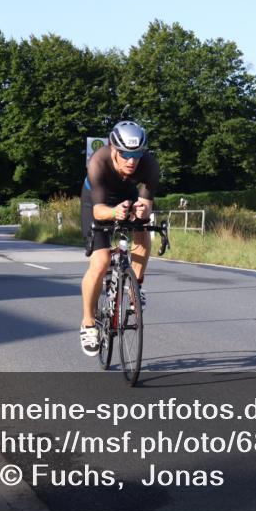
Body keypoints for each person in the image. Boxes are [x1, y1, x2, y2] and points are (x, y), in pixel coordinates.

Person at [79, 121, 160, 356]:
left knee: (143, 229)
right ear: (113, 149)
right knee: (101, 262)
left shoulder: (150, 165)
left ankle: (136, 287)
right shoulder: (98, 162)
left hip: (127, 194)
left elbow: (146, 204)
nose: (131, 161)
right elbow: (98, 211)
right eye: (125, 154)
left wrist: (142, 212)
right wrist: (115, 212)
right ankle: (88, 323)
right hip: (96, 200)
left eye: (137, 154)